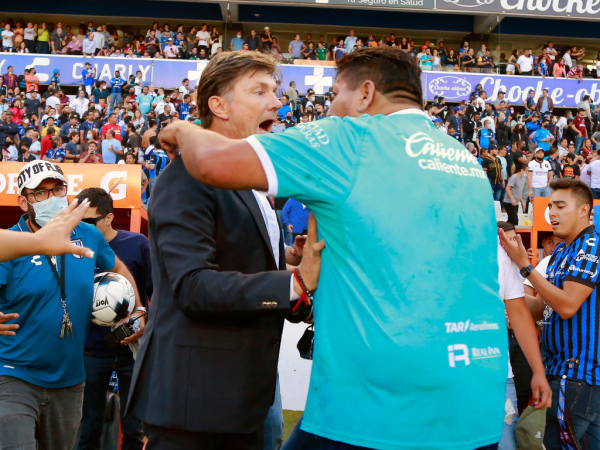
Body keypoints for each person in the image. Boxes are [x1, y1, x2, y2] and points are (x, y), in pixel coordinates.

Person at [157, 47, 510, 450]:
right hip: (475, 396)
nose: (329, 111)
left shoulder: (350, 139)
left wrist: (181, 130)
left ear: (364, 95)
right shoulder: (466, 160)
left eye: (334, 97)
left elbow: (211, 163)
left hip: (377, 404)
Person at [126, 51, 320, 450]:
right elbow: (195, 287)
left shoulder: (251, 182)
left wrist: (289, 261)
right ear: (219, 106)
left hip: (244, 396)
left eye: (276, 90)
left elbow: (235, 255)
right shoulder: (186, 177)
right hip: (195, 403)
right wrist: (293, 284)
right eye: (259, 91)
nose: (278, 102)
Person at [0, 162, 143, 449]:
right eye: (40, 193)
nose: (51, 197)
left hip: (70, 379)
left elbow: (117, 266)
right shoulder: (12, 242)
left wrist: (137, 307)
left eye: (57, 189)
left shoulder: (87, 234)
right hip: (13, 374)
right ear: (22, 201)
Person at [500, 179, 600, 450]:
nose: (552, 213)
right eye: (551, 206)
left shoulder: (591, 245)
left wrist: (524, 267)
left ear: (583, 210)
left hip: (579, 376)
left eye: (560, 206)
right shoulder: (560, 254)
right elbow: (539, 307)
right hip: (560, 374)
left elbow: (567, 306)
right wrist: (507, 279)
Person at [75, 188, 151, 450]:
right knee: (87, 428)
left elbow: (157, 292)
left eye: (89, 220)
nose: (82, 227)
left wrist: (142, 317)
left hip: (132, 350)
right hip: (90, 352)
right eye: (78, 220)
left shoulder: (138, 244)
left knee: (134, 428)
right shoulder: (71, 249)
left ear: (108, 218)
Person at [495, 221, 552, 450]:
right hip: (449, 374)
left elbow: (523, 310)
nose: (512, 242)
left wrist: (539, 371)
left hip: (502, 368)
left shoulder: (506, 260)